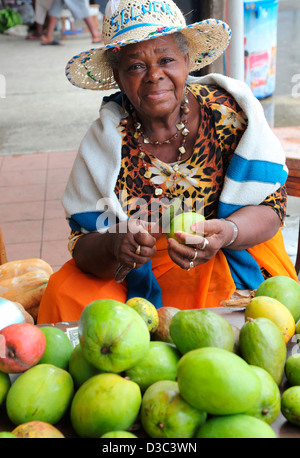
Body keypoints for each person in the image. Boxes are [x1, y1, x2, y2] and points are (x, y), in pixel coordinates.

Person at [37, 0, 298, 324]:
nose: (154, 75)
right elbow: (83, 242)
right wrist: (116, 244)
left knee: (220, 322)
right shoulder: (106, 142)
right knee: (66, 293)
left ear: (186, 62)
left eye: (166, 59)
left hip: (229, 252)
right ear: (118, 77)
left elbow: (272, 206)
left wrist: (227, 232)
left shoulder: (231, 115)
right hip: (137, 271)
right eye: (136, 66)